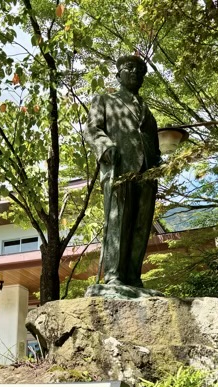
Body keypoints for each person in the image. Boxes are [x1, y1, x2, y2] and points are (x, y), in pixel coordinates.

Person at [85, 55, 163, 288]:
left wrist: (157, 165)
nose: (136, 73)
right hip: (119, 168)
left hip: (147, 173)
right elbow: (91, 128)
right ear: (118, 74)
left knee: (141, 224)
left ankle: (132, 276)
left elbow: (153, 143)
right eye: (130, 68)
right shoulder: (105, 100)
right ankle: (114, 275)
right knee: (118, 220)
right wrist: (105, 146)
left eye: (140, 70)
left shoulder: (147, 110)